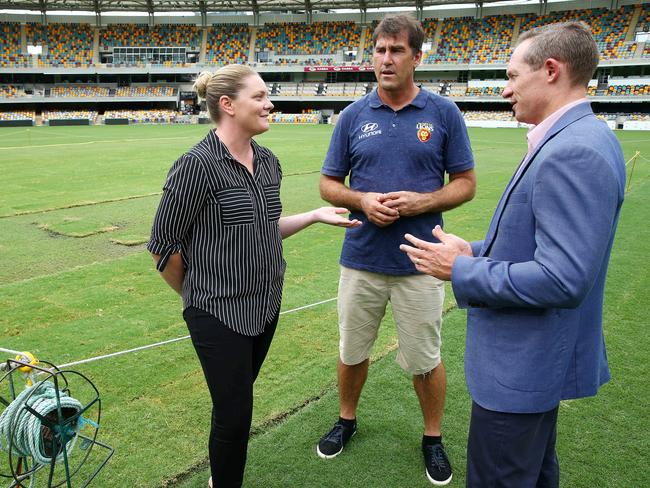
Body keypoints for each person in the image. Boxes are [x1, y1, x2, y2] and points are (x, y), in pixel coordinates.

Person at [400, 22, 626, 487]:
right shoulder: (578, 136)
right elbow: (546, 245)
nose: (504, 89)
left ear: (550, 70)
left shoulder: (573, 151)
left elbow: (562, 278)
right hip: (535, 366)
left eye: (511, 75)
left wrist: (463, 269)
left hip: (522, 368)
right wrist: (476, 250)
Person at [147, 64, 360, 488]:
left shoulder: (268, 163)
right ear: (227, 105)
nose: (270, 104)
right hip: (217, 311)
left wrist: (315, 215)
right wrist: (196, 298)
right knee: (234, 416)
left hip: (265, 307)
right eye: (260, 97)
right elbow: (161, 246)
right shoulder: (195, 166)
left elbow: (267, 227)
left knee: (236, 400)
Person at [317, 14, 476, 486]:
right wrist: (361, 200)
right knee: (352, 351)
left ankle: (432, 438)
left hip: (423, 261)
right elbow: (329, 185)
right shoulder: (352, 116)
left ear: (417, 57)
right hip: (361, 259)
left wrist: (424, 202)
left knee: (425, 360)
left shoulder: (443, 113)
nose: (386, 59)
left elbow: (465, 184)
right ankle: (346, 420)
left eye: (397, 51)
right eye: (380, 50)